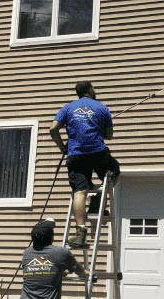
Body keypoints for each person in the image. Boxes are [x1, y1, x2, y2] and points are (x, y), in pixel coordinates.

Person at [50, 80, 120, 248]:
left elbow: (53, 129)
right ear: (90, 90)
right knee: (114, 173)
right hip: (97, 153)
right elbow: (109, 135)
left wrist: (62, 148)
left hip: (76, 155)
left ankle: (80, 233)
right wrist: (100, 128)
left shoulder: (67, 108)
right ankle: (97, 202)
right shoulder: (102, 108)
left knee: (79, 191)